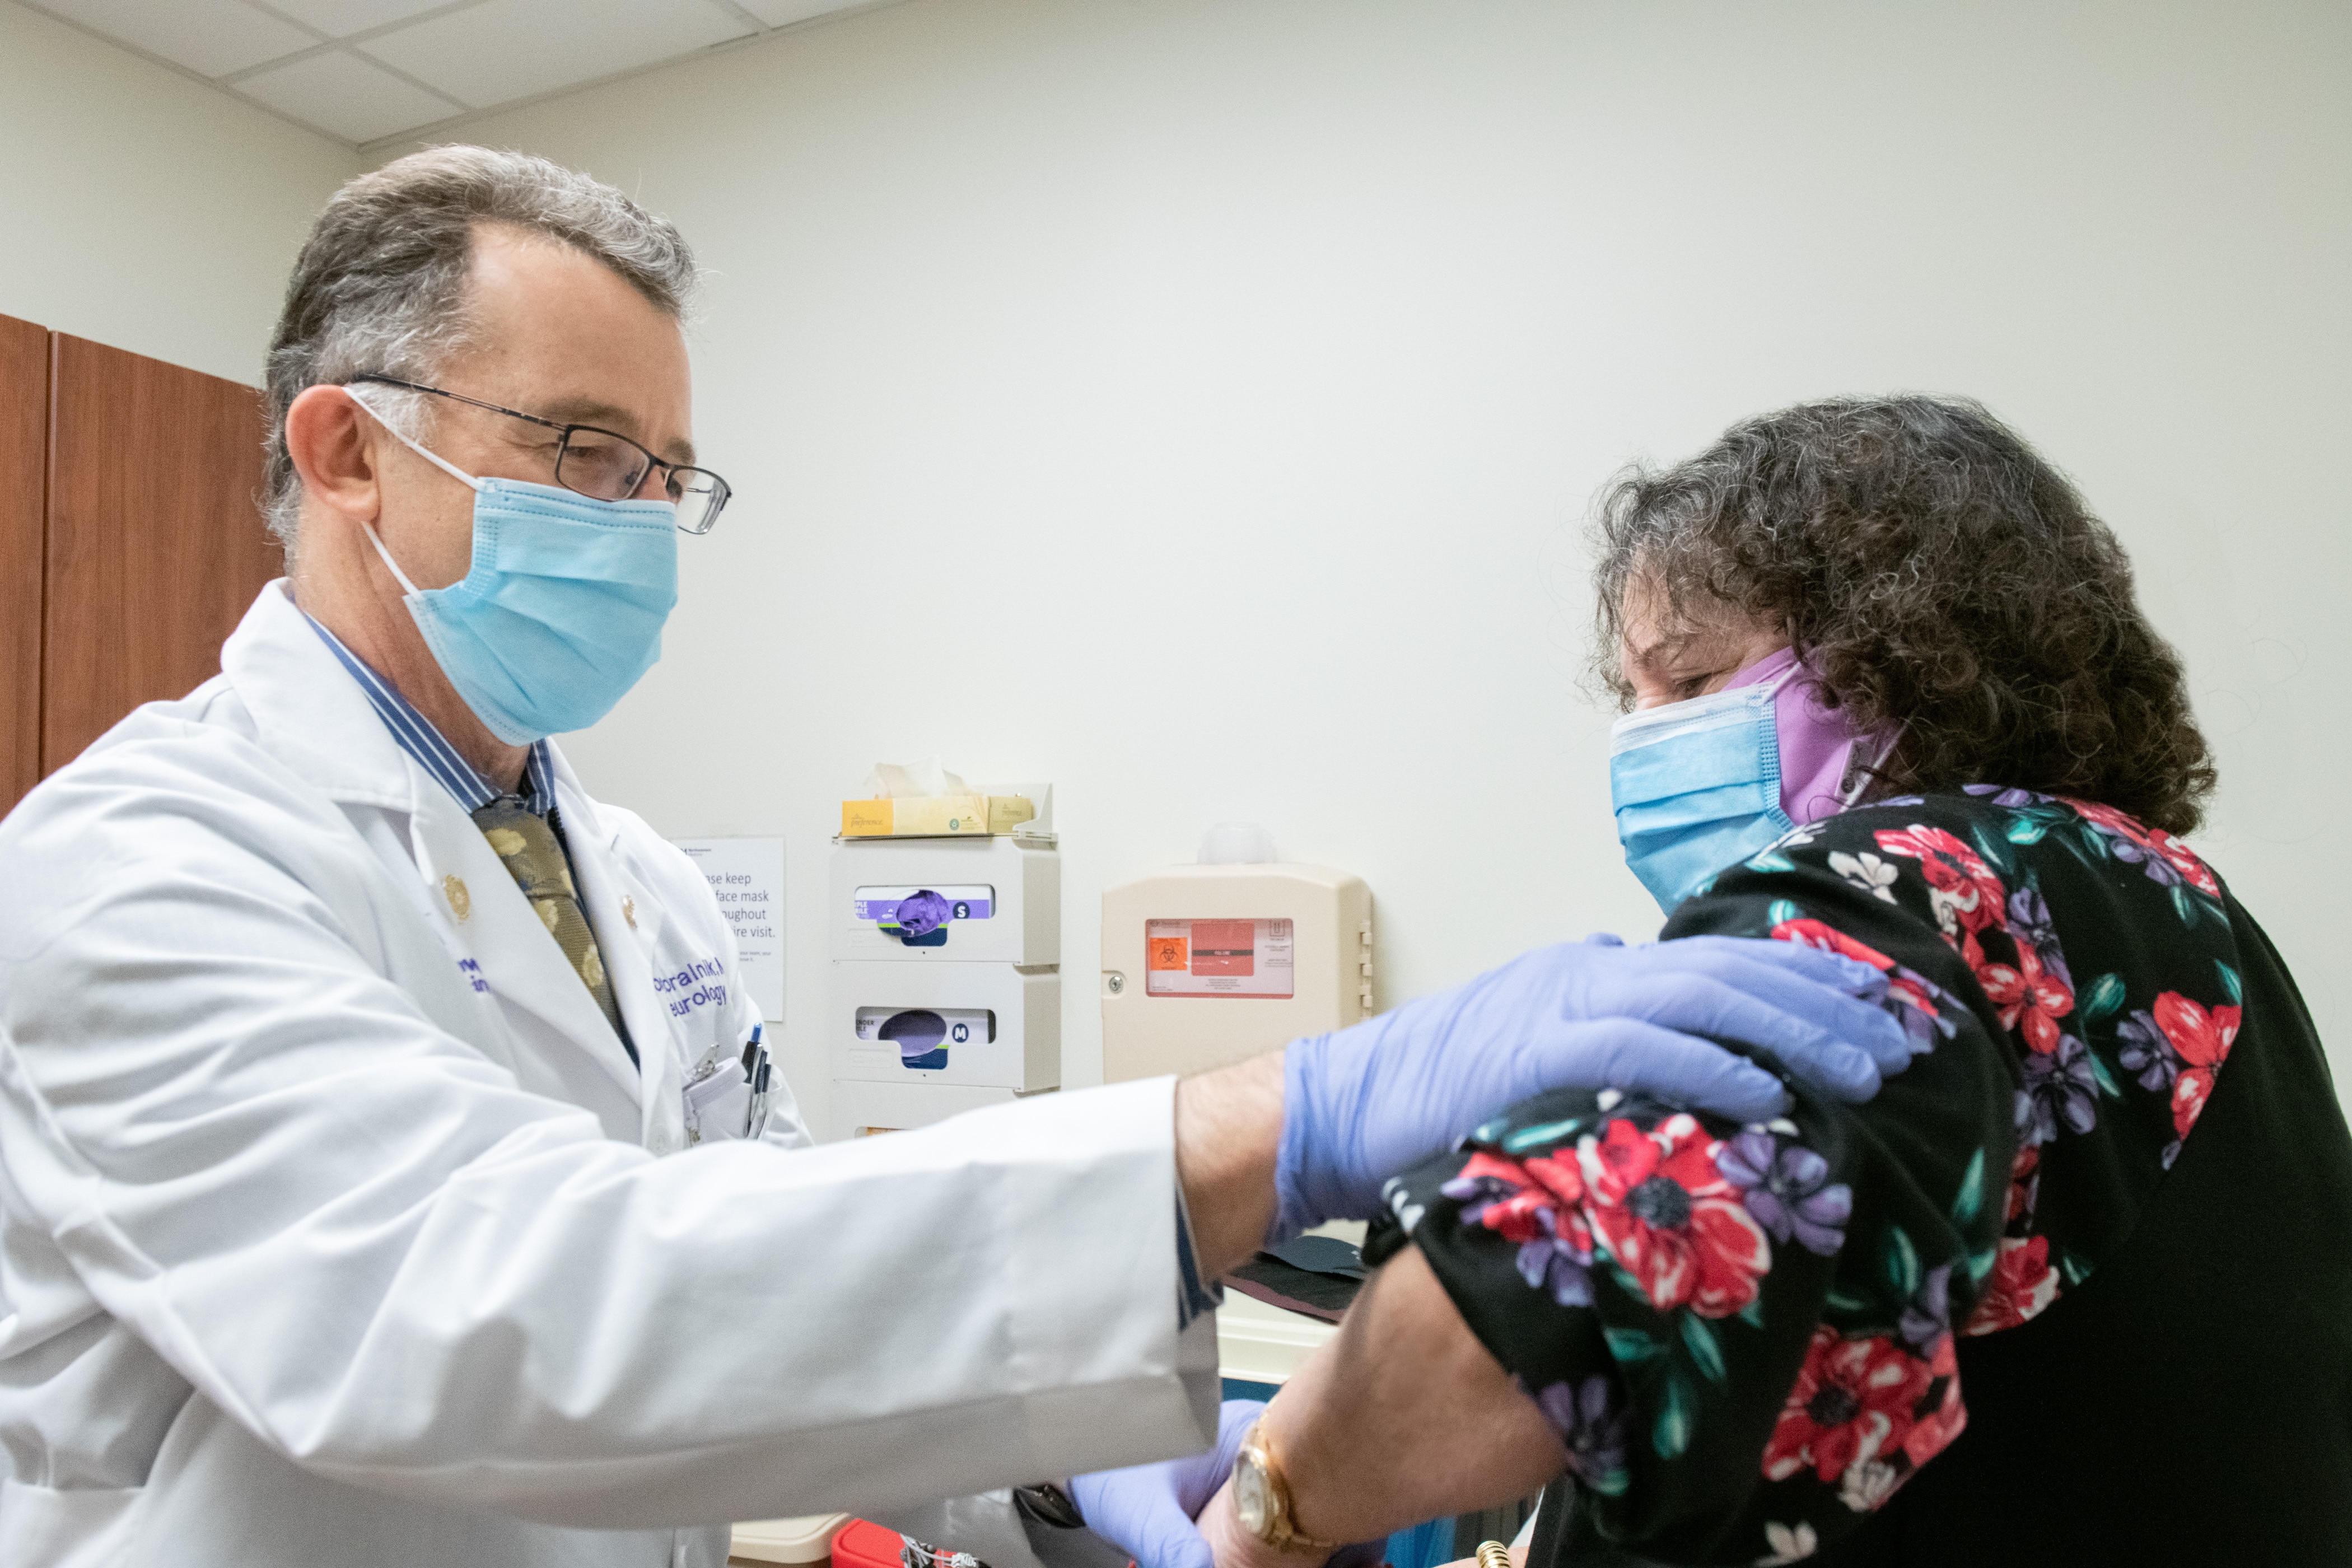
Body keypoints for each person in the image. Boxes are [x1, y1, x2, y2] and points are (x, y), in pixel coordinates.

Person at [0, 151, 1914, 1568]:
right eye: (585, 451)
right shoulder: (136, 866)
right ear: (346, 453)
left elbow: (760, 1263)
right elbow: (513, 1300)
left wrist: (1041, 1480)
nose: (647, 522)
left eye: (667, 472)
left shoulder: (633, 882)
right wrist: (1273, 1120)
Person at [1117, 396, 2352, 1568]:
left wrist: (1267, 1503)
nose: (1642, 739)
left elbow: (1539, 1297)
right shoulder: (2169, 906)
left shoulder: (1912, 882)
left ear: (1901, 662)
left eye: (1694, 683)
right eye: (1632, 696)